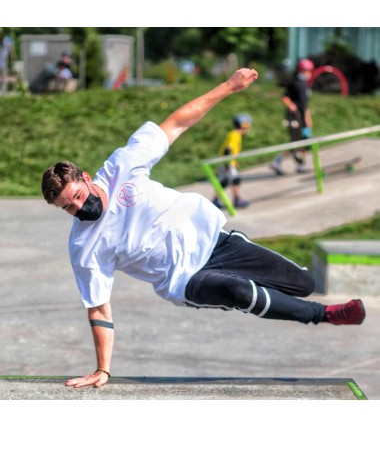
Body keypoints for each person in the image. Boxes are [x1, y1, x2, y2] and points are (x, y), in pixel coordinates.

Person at [41, 67, 366, 389]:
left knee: (304, 283)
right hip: (184, 279)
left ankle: (305, 299)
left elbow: (178, 122)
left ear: (86, 178)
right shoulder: (84, 246)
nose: (81, 208)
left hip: (216, 241)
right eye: (69, 208)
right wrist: (103, 368)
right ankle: (324, 314)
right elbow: (98, 306)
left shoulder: (121, 166)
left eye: (80, 197)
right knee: (238, 293)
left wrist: (228, 86)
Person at [270, 58, 315, 175]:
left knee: (305, 140)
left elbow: (305, 105)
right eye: (306, 70)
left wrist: (308, 118)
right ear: (301, 70)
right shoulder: (295, 82)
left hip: (303, 116)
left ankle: (301, 165)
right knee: (296, 142)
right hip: (295, 117)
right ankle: (277, 161)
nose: (308, 73)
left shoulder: (305, 84)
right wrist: (291, 105)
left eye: (310, 71)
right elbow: (284, 96)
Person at [212, 113, 252, 209]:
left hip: (225, 162)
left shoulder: (233, 134)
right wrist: (229, 164)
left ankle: (215, 200)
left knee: (224, 182)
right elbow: (228, 149)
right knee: (235, 180)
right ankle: (237, 200)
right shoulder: (236, 135)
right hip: (227, 163)